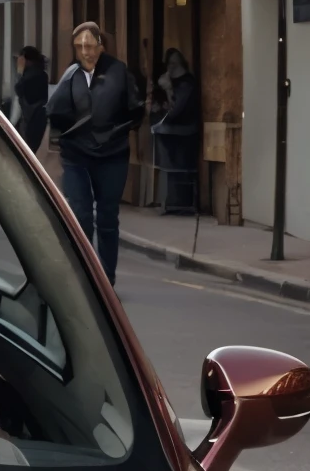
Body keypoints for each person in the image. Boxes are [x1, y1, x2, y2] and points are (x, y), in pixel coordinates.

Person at [46, 19, 142, 280]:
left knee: (108, 219)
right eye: (79, 47)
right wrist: (66, 129)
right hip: (77, 155)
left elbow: (135, 110)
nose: (85, 52)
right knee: (82, 216)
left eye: (90, 46)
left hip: (112, 155)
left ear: (101, 46)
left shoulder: (118, 72)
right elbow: (55, 111)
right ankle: (87, 279)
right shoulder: (71, 74)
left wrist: (117, 130)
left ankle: (107, 280)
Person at [152, 48, 201, 216]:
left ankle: (178, 201)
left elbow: (178, 109)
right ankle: (173, 200)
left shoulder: (186, 83)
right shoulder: (177, 82)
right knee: (170, 166)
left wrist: (168, 90)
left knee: (177, 167)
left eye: (173, 64)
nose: (170, 68)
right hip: (178, 129)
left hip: (184, 130)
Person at [11, 45, 50, 153]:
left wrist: (19, 71)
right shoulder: (42, 74)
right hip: (37, 117)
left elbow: (19, 89)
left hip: (33, 118)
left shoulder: (33, 75)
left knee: (28, 150)